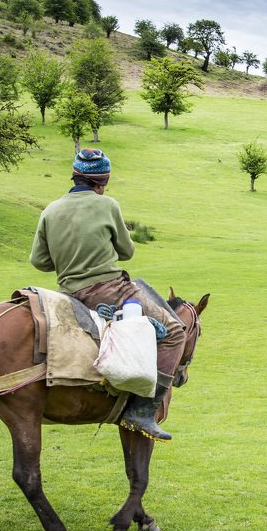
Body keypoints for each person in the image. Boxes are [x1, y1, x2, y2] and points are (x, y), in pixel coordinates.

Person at [30, 148, 186, 441]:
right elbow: (126, 251)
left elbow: (39, 261)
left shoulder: (50, 210)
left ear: (75, 177)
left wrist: (68, 258)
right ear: (102, 182)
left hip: (69, 294)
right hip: (111, 290)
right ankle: (143, 411)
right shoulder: (108, 205)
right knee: (175, 332)